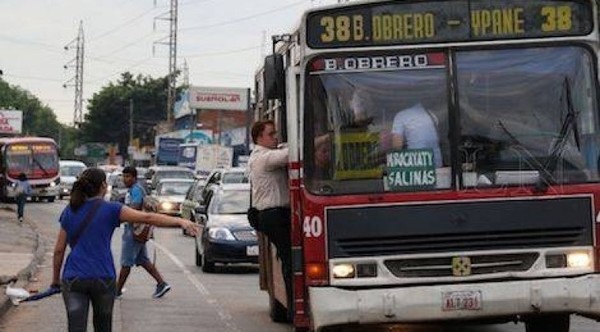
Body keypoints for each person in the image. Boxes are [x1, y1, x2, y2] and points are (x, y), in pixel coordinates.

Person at [51, 168, 198, 332]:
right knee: (103, 326)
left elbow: (59, 250)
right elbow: (147, 217)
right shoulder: (112, 209)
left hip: (73, 278)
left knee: (75, 327)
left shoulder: (70, 210)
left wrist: (55, 281)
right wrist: (180, 222)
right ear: (102, 186)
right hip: (103, 277)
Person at [247, 120, 292, 320]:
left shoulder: (266, 154)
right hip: (272, 215)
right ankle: (294, 306)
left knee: (288, 256)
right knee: (290, 258)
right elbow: (291, 153)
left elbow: (284, 148)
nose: (275, 137)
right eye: (271, 134)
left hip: (274, 214)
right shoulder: (263, 158)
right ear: (259, 138)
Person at [116, 166, 170, 299]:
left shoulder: (136, 190)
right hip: (135, 230)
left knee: (126, 262)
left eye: (128, 176)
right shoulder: (133, 190)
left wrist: (121, 212)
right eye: (124, 176)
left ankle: (116, 291)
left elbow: (134, 208)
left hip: (134, 231)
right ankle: (161, 283)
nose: (125, 179)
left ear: (134, 178)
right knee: (143, 260)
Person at [391, 102, 443, 167]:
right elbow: (437, 138)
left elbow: (397, 146)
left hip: (417, 166)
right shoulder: (431, 114)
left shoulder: (400, 115)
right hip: (437, 164)